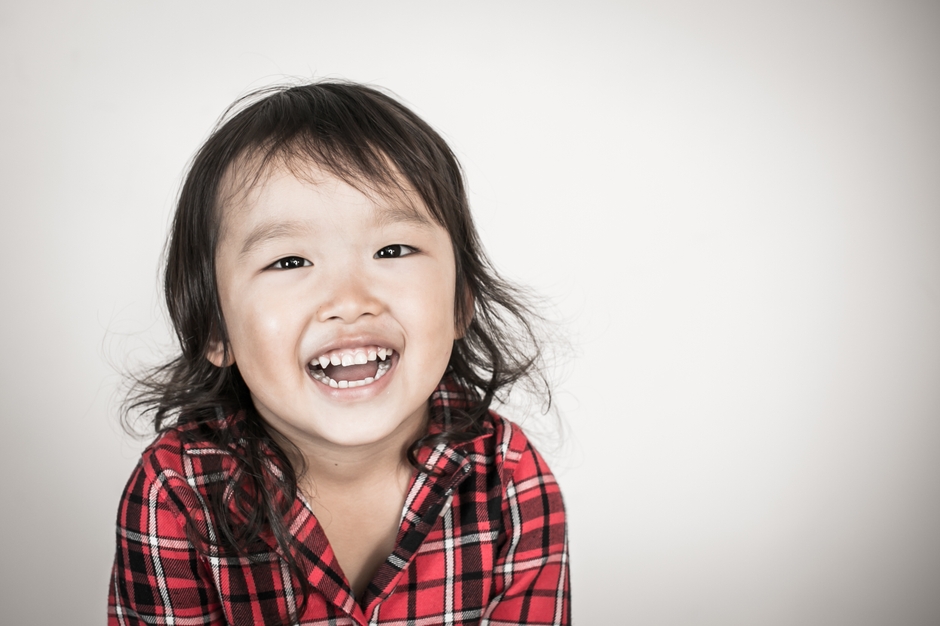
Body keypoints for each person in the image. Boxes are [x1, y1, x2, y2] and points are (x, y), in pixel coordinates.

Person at [108, 81, 569, 626]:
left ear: (460, 302)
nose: (349, 301)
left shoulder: (510, 480)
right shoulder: (177, 493)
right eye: (289, 262)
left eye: (392, 249)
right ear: (216, 329)